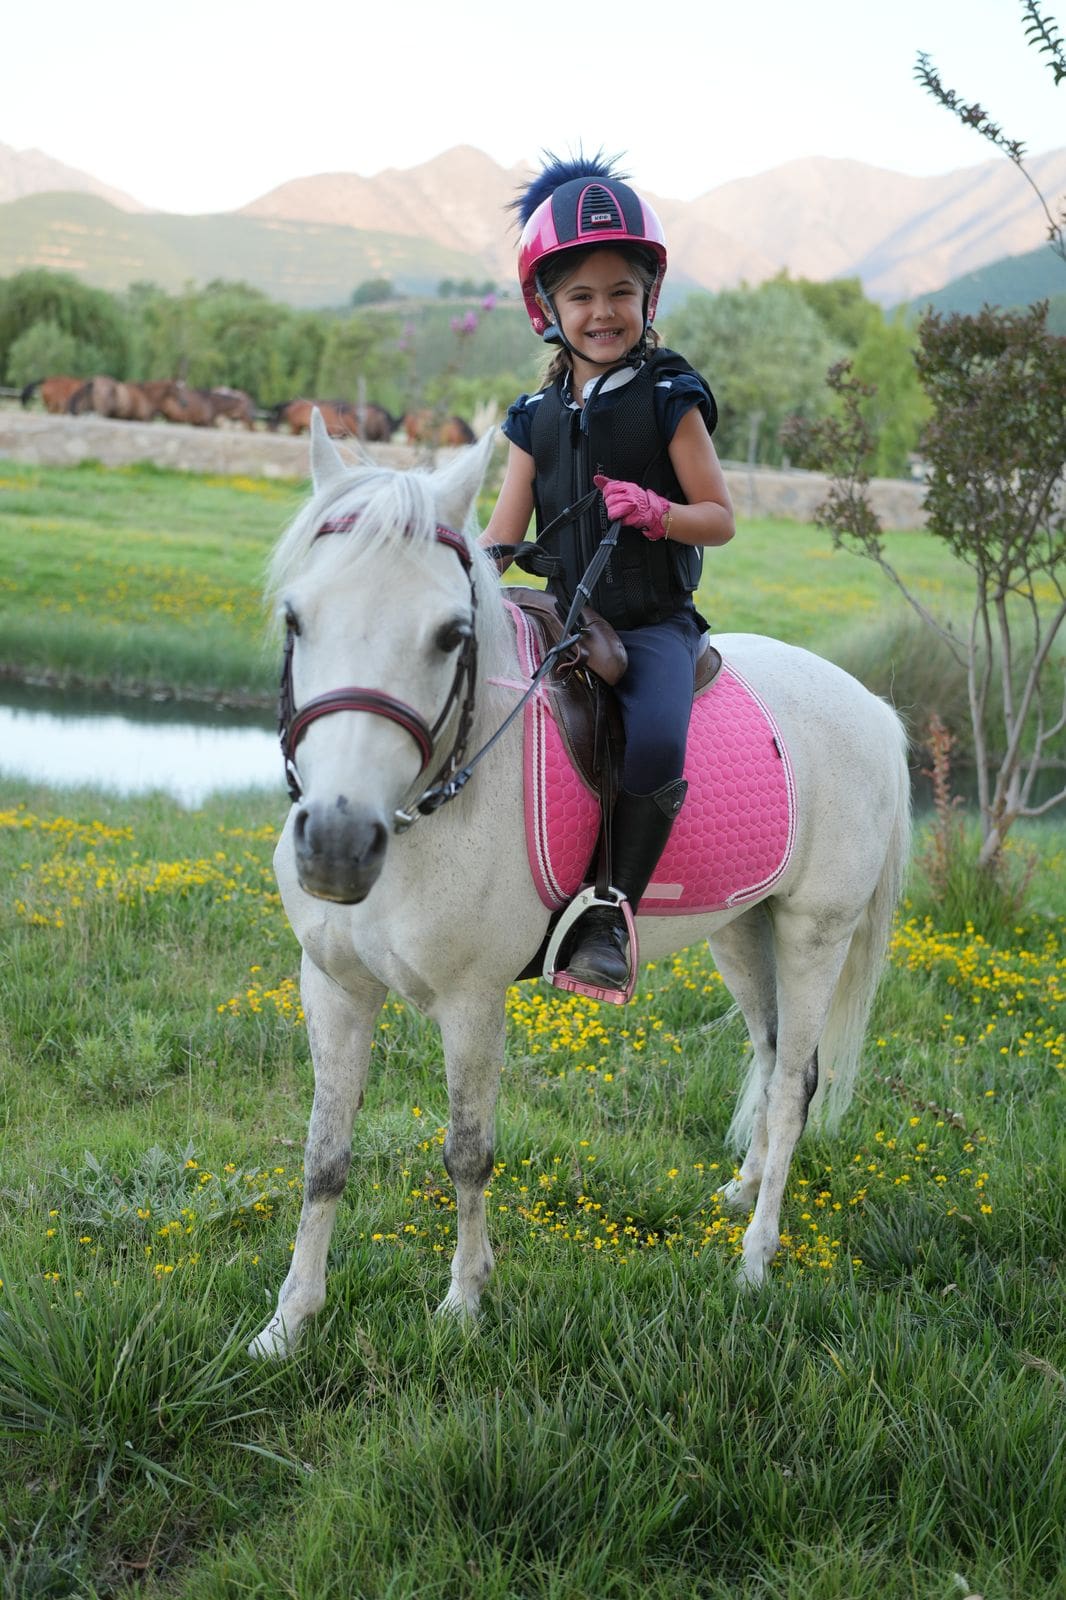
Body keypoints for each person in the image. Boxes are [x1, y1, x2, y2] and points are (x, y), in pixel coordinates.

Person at [481, 153, 735, 1001]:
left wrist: (660, 513)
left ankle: (607, 918)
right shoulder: (533, 418)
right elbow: (502, 538)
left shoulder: (670, 398)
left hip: (653, 624)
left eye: (621, 292)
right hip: (560, 619)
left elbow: (720, 518)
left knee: (656, 738)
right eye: (582, 296)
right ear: (546, 309)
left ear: (647, 298)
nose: (602, 312)